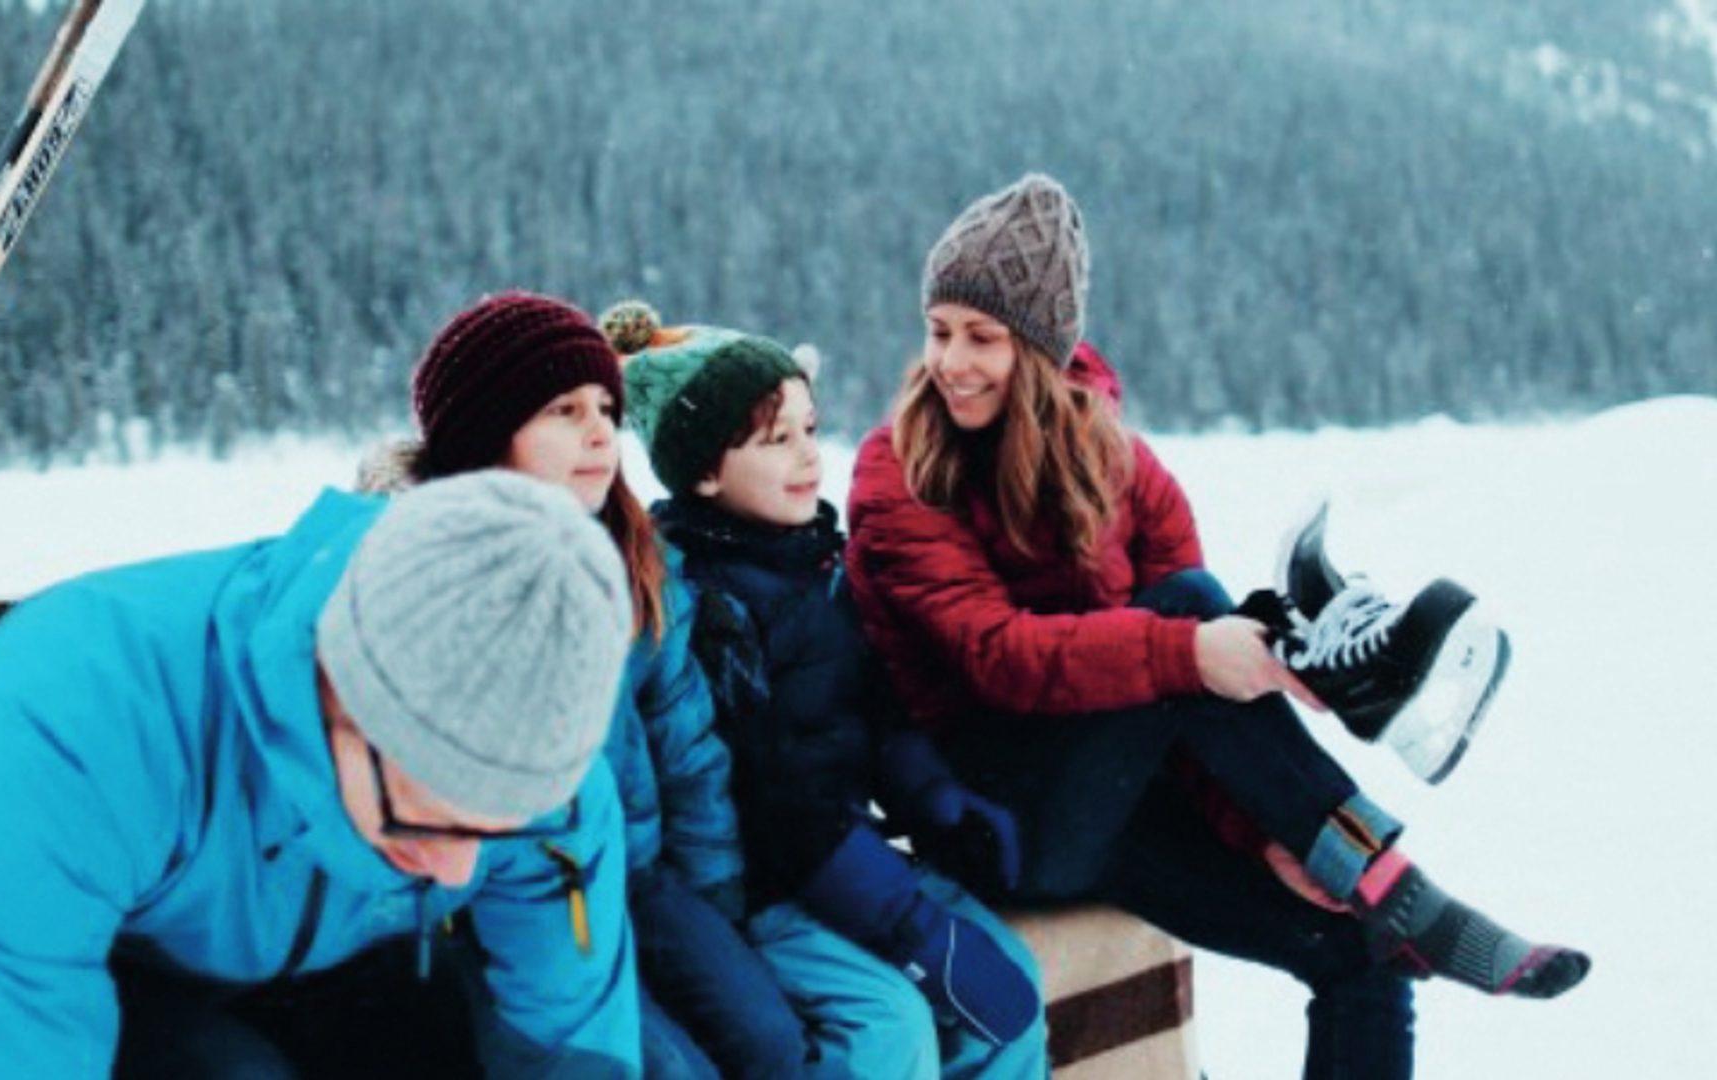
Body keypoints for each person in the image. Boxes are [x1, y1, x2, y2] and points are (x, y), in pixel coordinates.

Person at [843, 173, 1591, 1079]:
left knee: (1363, 955)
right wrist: (1193, 648)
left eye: (982, 337)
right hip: (998, 814)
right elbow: (1000, 658)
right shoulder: (898, 471)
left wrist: (1260, 832)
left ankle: (1364, 863)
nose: (951, 361)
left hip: (1124, 805)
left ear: (1043, 348)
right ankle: (1366, 781)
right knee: (1193, 609)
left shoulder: (1124, 469)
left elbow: (1199, 710)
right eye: (940, 331)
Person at [0, 469, 643, 1078]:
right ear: (338, 696)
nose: (464, 868)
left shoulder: (535, 773)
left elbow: (570, 1040)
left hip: (274, 938)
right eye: (429, 818)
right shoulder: (78, 716)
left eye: (501, 826)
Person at [364, 291, 808, 1079]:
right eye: (563, 411)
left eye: (605, 404)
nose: (601, 430)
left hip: (637, 875)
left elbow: (684, 745)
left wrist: (716, 904)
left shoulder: (631, 557)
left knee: (770, 1039)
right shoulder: (418, 577)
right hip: (507, 907)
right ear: (484, 435)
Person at [607, 299, 1048, 1079]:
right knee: (889, 1029)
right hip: (773, 889)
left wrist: (937, 797)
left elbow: (874, 709)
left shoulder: (817, 565)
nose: (808, 456)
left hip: (851, 863)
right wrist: (909, 925)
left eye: (810, 429)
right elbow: (775, 797)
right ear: (705, 471)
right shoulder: (708, 610)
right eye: (778, 441)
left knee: (1014, 987)